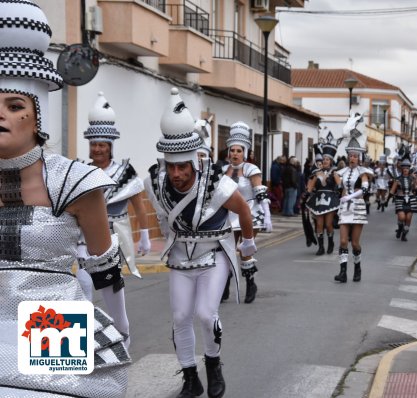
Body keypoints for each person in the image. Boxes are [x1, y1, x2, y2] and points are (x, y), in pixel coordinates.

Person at [0, 1, 129, 395]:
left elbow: (106, 268)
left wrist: (121, 331)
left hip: (49, 318)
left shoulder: (74, 182)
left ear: (38, 117)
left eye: (14, 105)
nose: (0, 115)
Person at [145, 88, 256, 398]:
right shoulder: (156, 182)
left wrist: (247, 245)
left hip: (214, 254)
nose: (177, 173)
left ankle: (213, 364)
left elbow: (244, 210)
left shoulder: (217, 184)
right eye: (172, 166)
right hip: (180, 257)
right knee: (180, 316)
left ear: (194, 161)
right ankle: (190, 378)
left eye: (183, 166)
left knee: (207, 315)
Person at [76, 92, 150, 345]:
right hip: (84, 240)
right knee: (83, 287)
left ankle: (123, 336)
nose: (97, 148)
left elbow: (139, 205)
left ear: (110, 146)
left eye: (102, 144)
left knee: (112, 292)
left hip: (112, 243)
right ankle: (85, 340)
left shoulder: (124, 172)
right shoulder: (80, 171)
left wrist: (145, 236)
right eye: (93, 144)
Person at [222, 121, 272, 304]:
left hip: (249, 214)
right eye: (232, 150)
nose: (235, 154)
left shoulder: (252, 169)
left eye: (239, 150)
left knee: (244, 250)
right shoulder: (221, 171)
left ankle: (250, 284)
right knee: (226, 251)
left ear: (245, 152)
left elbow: (260, 192)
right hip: (228, 216)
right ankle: (224, 287)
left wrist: (267, 213)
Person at [333, 112, 374, 283]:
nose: (352, 158)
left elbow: (364, 190)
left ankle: (357, 267)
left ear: (359, 157)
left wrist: (349, 196)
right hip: (345, 209)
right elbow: (337, 181)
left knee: (355, 243)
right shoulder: (341, 172)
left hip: (357, 207)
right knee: (343, 241)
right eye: (350, 155)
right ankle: (343, 273)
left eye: (355, 156)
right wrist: (339, 189)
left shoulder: (363, 172)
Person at [305, 131, 340, 255]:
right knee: (319, 224)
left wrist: (340, 191)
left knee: (328, 224)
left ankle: (330, 242)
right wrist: (306, 194)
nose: (325, 161)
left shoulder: (334, 173)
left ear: (331, 161)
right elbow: (310, 186)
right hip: (318, 199)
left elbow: (340, 185)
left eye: (327, 159)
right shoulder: (316, 173)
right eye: (324, 159)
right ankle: (321, 247)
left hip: (330, 199)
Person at [388, 151, 417, 242]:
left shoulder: (412, 178)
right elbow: (392, 191)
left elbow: (416, 188)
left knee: (408, 218)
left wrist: (416, 179)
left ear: (409, 169)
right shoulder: (397, 179)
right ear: (401, 169)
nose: (405, 169)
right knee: (402, 217)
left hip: (411, 199)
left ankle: (404, 234)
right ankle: (400, 228)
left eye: (407, 168)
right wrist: (387, 200)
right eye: (404, 168)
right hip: (400, 199)